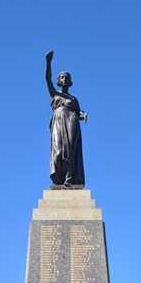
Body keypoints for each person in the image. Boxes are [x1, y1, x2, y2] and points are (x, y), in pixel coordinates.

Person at [44, 49, 87, 187]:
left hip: (71, 122)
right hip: (58, 121)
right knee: (58, 151)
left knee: (70, 150)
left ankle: (69, 180)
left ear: (70, 82)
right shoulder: (55, 95)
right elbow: (47, 79)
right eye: (62, 77)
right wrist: (48, 62)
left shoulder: (74, 99)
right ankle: (59, 179)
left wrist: (83, 115)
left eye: (67, 77)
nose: (64, 79)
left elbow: (78, 112)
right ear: (59, 81)